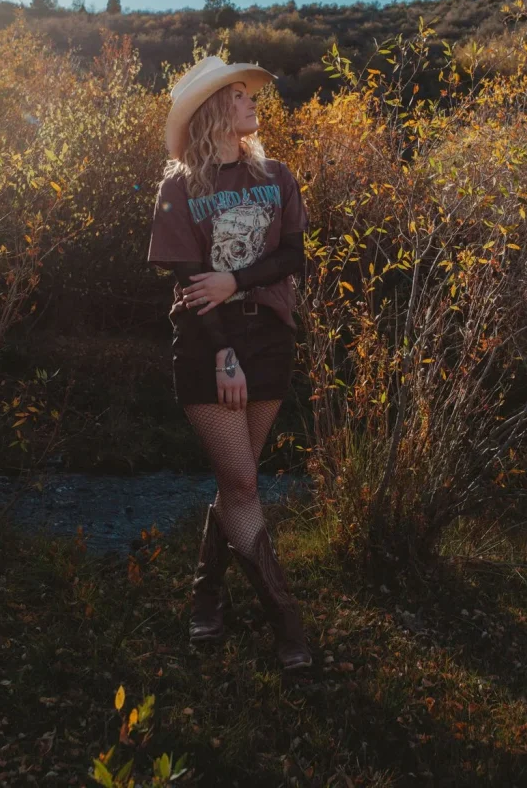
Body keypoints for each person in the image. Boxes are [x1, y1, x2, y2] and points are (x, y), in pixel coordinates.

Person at [147, 55, 313, 671]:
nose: (252, 103)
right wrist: (221, 351)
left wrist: (237, 277)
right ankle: (287, 624)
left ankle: (206, 597)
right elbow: (191, 282)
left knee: (234, 483)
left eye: (249, 95)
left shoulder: (275, 174)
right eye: (239, 96)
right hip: (206, 345)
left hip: (269, 340)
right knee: (244, 483)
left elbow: (292, 256)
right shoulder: (178, 187)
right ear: (215, 110)